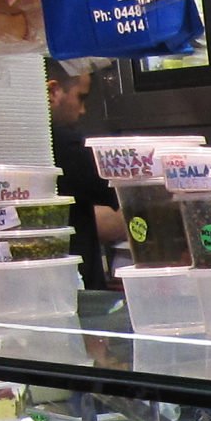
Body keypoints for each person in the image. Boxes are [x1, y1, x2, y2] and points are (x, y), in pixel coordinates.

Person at [47, 59, 125, 291]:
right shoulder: (65, 144)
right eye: (81, 97)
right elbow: (122, 208)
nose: (83, 110)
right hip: (78, 290)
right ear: (53, 91)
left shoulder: (18, 141)